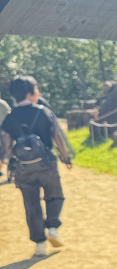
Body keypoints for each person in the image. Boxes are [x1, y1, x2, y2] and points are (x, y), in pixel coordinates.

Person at [1, 76, 73, 256]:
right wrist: (65, 158)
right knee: (55, 195)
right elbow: (56, 136)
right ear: (30, 93)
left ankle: (40, 244)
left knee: (31, 204)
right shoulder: (43, 112)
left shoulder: (10, 118)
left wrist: (12, 164)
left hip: (24, 167)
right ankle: (53, 228)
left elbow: (7, 144)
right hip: (46, 164)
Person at [0, 95, 10, 180]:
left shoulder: (2, 104)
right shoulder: (3, 104)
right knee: (6, 151)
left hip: (3, 131)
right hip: (4, 131)